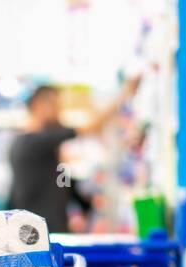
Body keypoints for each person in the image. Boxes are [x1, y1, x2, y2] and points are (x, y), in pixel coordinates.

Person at [7, 78, 139, 233]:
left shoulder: (47, 148)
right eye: (54, 106)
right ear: (39, 106)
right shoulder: (30, 143)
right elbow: (89, 128)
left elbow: (61, 181)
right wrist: (125, 92)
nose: (58, 112)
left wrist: (84, 203)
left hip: (50, 230)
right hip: (36, 235)